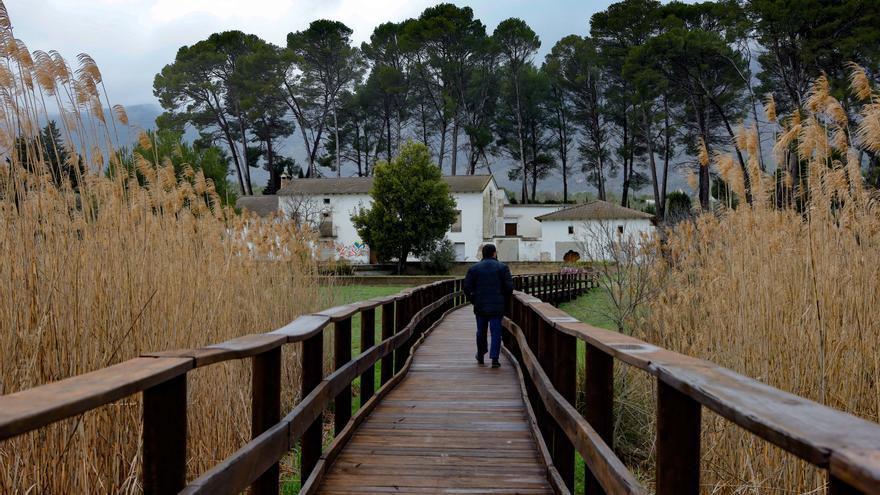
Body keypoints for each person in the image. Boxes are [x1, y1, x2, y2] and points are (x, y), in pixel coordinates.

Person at [463, 244, 514, 368]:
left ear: (483, 254)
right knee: (496, 332)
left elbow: (466, 287)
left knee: (481, 331)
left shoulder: (474, 268)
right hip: (497, 306)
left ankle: (481, 354)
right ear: (494, 253)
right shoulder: (503, 267)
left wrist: (473, 300)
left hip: (480, 305)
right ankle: (494, 359)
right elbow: (509, 288)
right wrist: (504, 300)